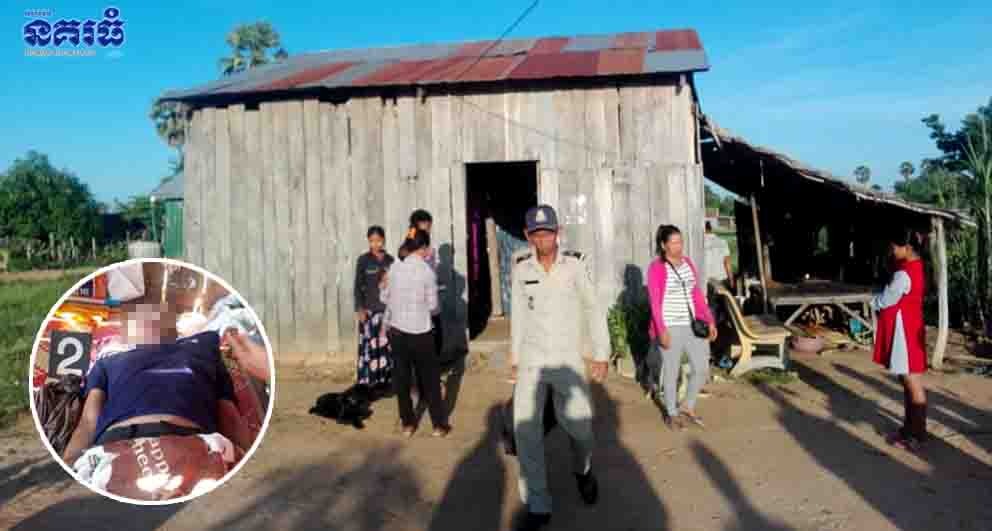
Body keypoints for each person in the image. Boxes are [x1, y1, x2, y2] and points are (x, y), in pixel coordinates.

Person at [510, 204, 609, 531]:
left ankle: (583, 470)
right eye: (536, 234)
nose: (543, 240)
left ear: (558, 233)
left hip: (568, 359)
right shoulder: (521, 268)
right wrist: (515, 357)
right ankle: (538, 504)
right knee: (526, 431)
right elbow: (519, 315)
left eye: (548, 233)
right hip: (532, 359)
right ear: (527, 236)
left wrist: (601, 353)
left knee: (581, 429)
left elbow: (593, 308)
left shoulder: (575, 266)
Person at [62, 302, 253, 465]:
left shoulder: (203, 350)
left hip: (184, 441)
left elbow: (229, 416)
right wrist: (68, 466)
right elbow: (88, 422)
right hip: (119, 445)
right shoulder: (107, 361)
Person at [380, 228, 451, 438]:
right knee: (430, 379)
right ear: (424, 248)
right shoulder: (427, 272)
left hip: (397, 331)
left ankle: (407, 425)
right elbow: (434, 307)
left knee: (402, 379)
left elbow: (384, 298)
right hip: (421, 332)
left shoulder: (394, 268)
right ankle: (438, 425)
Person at [647, 224, 717, 431]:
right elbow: (655, 302)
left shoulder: (688, 263)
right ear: (663, 245)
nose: (679, 246)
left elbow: (696, 295)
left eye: (681, 241)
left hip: (692, 325)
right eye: (674, 242)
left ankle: (687, 405)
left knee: (701, 368)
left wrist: (710, 320)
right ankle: (671, 412)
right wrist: (661, 330)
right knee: (672, 372)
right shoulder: (656, 268)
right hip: (669, 326)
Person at [872, 228, 928, 451]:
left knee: (911, 382)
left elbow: (887, 299)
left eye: (894, 247)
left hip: (905, 331)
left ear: (907, 247)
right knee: (908, 381)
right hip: (911, 325)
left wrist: (873, 301)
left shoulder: (903, 274)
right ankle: (909, 429)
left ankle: (917, 434)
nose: (892, 251)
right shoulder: (916, 265)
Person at [354, 226, 395, 391]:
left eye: (378, 240)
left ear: (383, 240)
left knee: (386, 348)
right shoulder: (363, 260)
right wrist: (360, 308)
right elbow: (358, 286)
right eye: (372, 241)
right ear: (368, 241)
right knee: (369, 349)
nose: (375, 244)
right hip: (369, 312)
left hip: (386, 312)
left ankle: (385, 381)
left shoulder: (390, 261)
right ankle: (368, 383)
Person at [704, 221, 735, 291]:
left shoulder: (699, 244)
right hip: (721, 279)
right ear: (711, 229)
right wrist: (731, 279)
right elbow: (727, 262)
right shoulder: (722, 242)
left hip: (706, 280)